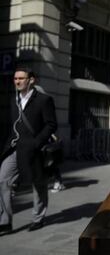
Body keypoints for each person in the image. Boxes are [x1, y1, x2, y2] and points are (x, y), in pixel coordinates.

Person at [0, 67, 57, 234]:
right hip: (14, 148)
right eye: (15, 78)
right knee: (3, 179)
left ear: (31, 80)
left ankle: (38, 218)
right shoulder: (13, 100)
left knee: (38, 183)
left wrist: (37, 143)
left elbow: (51, 125)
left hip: (34, 149)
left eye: (21, 78)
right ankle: (4, 221)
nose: (17, 81)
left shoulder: (43, 100)